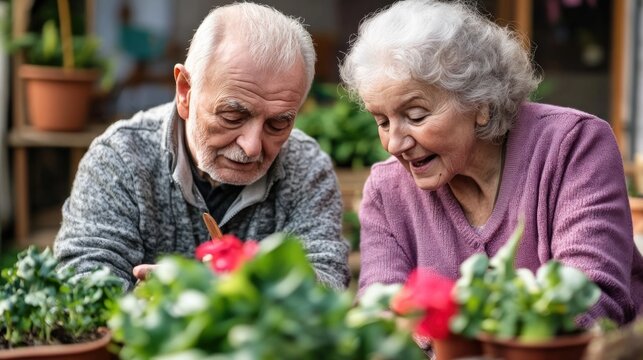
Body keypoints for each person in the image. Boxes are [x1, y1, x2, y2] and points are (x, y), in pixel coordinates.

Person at [340, 0, 643, 326]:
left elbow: (590, 300)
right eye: (382, 121)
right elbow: (378, 317)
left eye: (415, 116)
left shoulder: (573, 146)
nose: (394, 143)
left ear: (480, 102)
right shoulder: (387, 191)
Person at [54, 2, 350, 291]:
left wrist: (208, 290)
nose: (251, 147)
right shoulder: (119, 159)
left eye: (278, 124)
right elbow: (83, 284)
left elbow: (327, 284)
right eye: (233, 116)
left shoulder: (307, 167)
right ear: (185, 91)